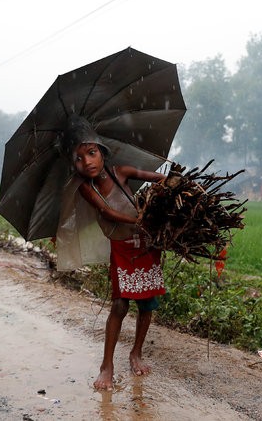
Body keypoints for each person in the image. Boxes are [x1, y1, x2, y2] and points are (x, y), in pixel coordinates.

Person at [65, 116, 166, 391]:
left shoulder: (120, 172)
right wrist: (138, 221)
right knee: (120, 305)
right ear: (73, 165)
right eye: (79, 158)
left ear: (102, 151)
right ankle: (106, 366)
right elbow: (108, 212)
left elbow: (151, 176)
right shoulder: (87, 188)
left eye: (91, 152)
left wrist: (170, 182)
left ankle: (136, 353)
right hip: (122, 248)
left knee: (147, 303)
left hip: (146, 245)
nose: (87, 162)